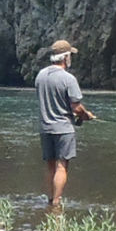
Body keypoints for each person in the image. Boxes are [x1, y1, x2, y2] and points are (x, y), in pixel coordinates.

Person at [35, 38, 95, 214]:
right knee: (62, 166)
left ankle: (49, 198)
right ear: (66, 57)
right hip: (63, 129)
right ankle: (57, 203)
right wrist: (86, 115)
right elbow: (76, 107)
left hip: (45, 127)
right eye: (70, 56)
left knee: (50, 166)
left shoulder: (40, 76)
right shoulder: (68, 79)